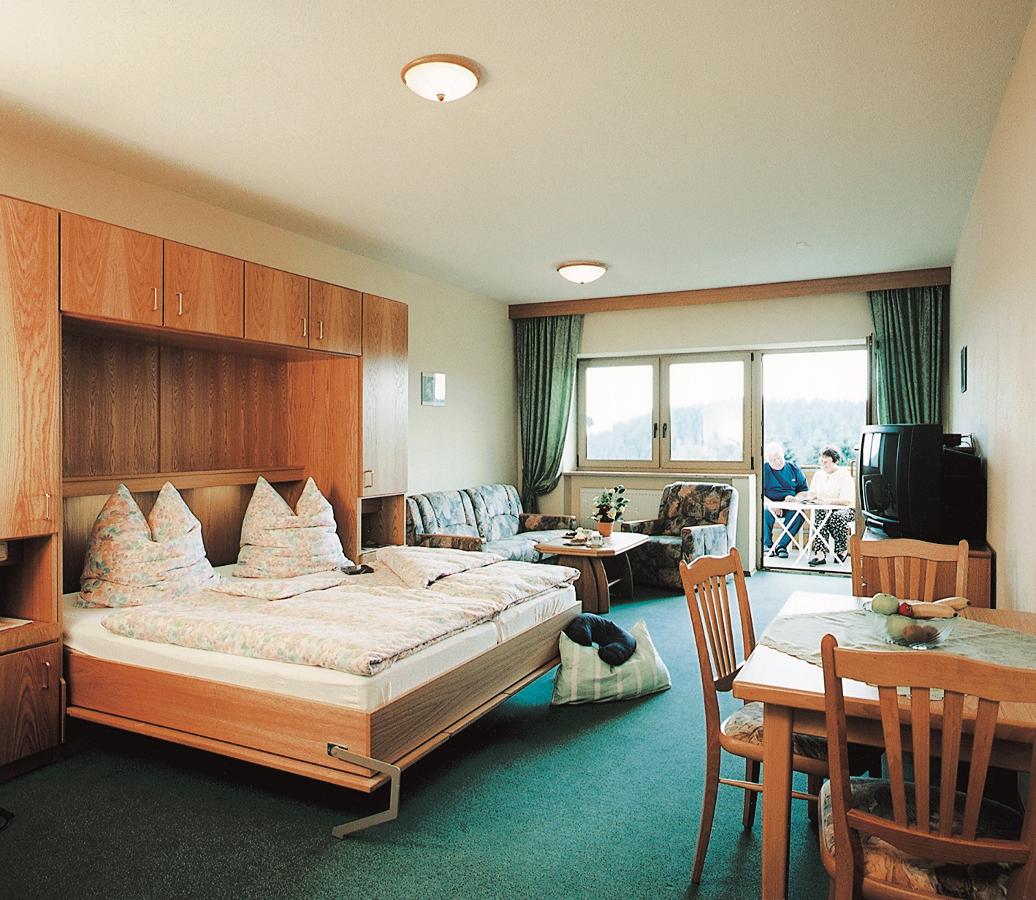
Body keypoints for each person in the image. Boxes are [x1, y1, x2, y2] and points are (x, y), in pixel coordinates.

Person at [805, 445, 855, 566]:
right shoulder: (818, 474)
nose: (823, 464)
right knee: (820, 513)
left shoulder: (844, 475)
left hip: (846, 509)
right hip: (825, 508)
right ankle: (820, 554)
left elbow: (846, 501)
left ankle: (841, 550)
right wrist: (812, 498)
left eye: (826, 462)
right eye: (821, 461)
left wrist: (826, 501)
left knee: (836, 517)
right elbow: (812, 493)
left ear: (834, 461)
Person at [762, 442, 808, 558]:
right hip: (770, 504)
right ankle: (767, 545)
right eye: (773, 460)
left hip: (789, 505)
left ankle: (781, 545)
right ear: (768, 460)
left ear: (783, 455)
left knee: (799, 514)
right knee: (765, 512)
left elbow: (803, 490)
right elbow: (758, 493)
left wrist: (796, 499)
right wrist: (772, 505)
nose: (778, 461)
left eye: (779, 457)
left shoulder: (793, 468)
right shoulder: (764, 470)